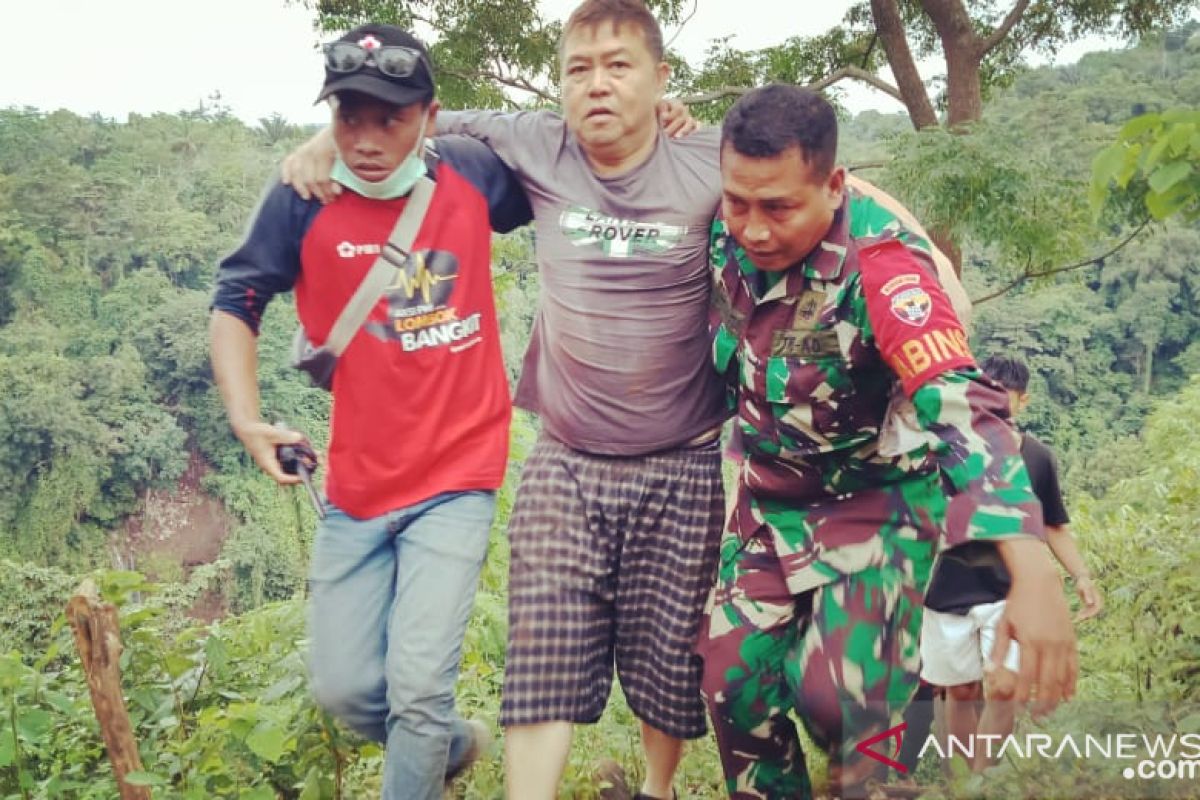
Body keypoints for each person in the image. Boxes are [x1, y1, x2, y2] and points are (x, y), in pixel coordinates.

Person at [282, 5, 968, 798]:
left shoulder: (711, 159)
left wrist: (925, 269)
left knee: (675, 663)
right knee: (541, 655)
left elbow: (816, 187)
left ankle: (658, 788)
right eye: (579, 68)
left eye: (619, 66)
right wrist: (327, 139)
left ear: (658, 80)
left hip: (682, 463)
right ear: (561, 82)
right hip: (565, 457)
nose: (597, 84)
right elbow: (415, 119)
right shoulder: (536, 141)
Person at [697, 84, 1078, 799]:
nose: (752, 229)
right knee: (732, 684)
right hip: (769, 502)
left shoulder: (886, 269)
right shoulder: (733, 212)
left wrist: (1032, 566)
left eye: (778, 207)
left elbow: (962, 404)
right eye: (737, 203)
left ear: (834, 185)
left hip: (876, 507)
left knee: (840, 701)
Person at [209, 24, 531, 800]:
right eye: (348, 116)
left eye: (390, 117)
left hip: (460, 474)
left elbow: (572, 170)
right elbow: (237, 299)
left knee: (417, 690)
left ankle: (426, 738)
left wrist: (672, 126)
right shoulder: (302, 197)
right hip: (357, 485)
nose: (366, 138)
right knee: (349, 691)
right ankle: (450, 745)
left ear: (430, 114)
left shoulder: (473, 175)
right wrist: (247, 419)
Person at [916, 354, 1103, 773]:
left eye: (1006, 397)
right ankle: (963, 777)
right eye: (987, 396)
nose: (996, 406)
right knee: (959, 691)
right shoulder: (949, 452)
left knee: (1006, 690)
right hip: (949, 589)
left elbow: (1053, 524)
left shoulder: (1038, 458)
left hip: (1012, 592)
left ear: (1023, 402)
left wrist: (1082, 576)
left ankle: (983, 778)